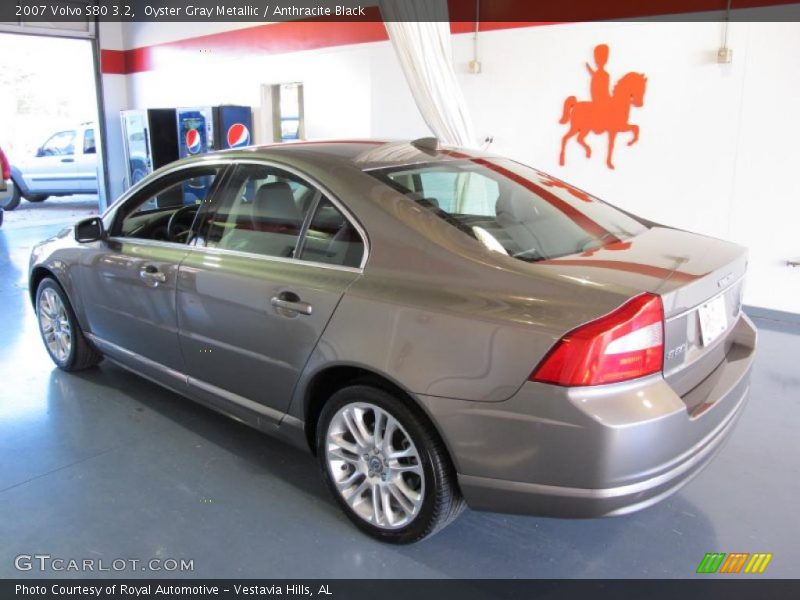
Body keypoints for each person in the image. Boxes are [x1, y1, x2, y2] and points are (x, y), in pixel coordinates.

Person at [585, 44, 611, 110]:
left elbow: (605, 90)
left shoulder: (605, 74)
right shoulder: (604, 75)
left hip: (602, 98)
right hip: (600, 99)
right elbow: (600, 90)